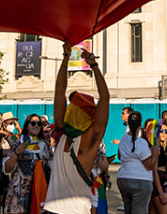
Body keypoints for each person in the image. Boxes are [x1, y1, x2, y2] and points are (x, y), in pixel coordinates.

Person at [44, 42, 109, 214]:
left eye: (75, 104)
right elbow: (59, 92)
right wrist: (65, 58)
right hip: (53, 208)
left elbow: (105, 98)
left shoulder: (90, 136)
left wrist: (94, 66)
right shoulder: (63, 132)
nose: (71, 107)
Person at [2, 114, 53, 214]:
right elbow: (7, 169)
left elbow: (52, 165)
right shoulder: (19, 143)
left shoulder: (45, 145)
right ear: (26, 126)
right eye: (33, 123)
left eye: (39, 124)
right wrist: (16, 153)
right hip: (20, 193)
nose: (36, 126)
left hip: (41, 190)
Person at [117, 111, 156, 214]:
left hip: (123, 178)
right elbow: (149, 165)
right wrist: (155, 151)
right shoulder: (141, 143)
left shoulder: (123, 138)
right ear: (140, 125)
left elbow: (120, 156)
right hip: (140, 180)